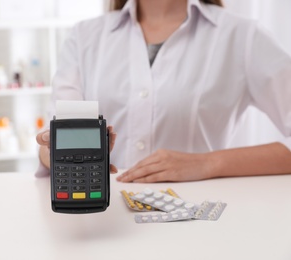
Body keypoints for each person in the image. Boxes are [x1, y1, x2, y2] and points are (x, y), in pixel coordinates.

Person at [36, 0, 291, 182]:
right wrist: (58, 154)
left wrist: (207, 164)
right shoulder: (84, 36)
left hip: (198, 222)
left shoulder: (243, 36)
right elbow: (53, 137)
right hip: (102, 221)